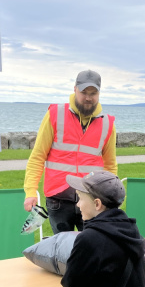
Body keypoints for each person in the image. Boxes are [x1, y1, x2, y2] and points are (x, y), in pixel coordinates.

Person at [22, 70, 117, 233]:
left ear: (99, 93)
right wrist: (30, 191)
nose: (88, 98)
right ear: (75, 89)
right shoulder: (55, 114)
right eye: (84, 92)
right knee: (60, 249)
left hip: (92, 199)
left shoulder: (107, 123)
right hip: (58, 199)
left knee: (91, 250)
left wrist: (111, 198)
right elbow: (38, 157)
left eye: (93, 93)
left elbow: (110, 166)